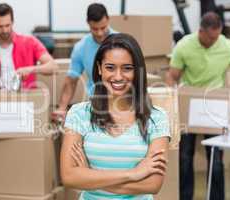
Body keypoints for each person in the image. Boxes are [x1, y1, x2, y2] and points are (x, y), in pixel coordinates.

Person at [60, 33, 171, 200]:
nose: (118, 76)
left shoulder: (157, 118)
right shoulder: (79, 114)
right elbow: (69, 177)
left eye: (127, 68)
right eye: (110, 67)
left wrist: (89, 177)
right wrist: (133, 174)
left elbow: (153, 185)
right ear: (99, 68)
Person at [165, 12, 230, 200]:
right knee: (185, 157)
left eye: (217, 36)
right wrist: (172, 97)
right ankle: (185, 197)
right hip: (190, 106)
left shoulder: (225, 44)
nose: (215, 41)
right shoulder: (185, 45)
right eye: (211, 37)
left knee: (216, 159)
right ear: (201, 31)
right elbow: (172, 76)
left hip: (216, 107)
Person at [52, 3, 116, 122]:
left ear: (108, 19)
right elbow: (71, 81)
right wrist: (62, 108)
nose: (100, 33)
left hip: (122, 101)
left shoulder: (122, 42)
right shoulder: (81, 48)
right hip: (95, 104)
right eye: (95, 29)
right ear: (88, 23)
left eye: (103, 28)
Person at [0, 3, 58, 90]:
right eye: (0, 26)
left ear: (12, 22)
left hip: (26, 99)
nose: (5, 30)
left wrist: (30, 69)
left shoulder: (30, 42)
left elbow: (54, 67)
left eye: (7, 25)